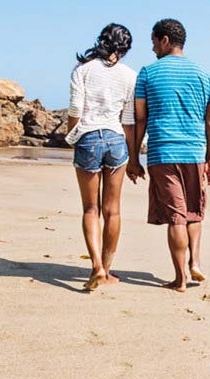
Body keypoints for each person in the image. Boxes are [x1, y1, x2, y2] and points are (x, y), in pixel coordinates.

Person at [130, 18, 210, 292]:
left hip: (162, 152)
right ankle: (196, 263)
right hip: (194, 152)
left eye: (154, 41)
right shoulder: (205, 75)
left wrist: (134, 158)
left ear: (165, 40)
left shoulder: (147, 73)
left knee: (176, 217)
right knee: (194, 212)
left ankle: (180, 279)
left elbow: (140, 118)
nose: (153, 48)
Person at [66, 23, 139, 291]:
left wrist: (71, 135)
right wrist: (133, 158)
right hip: (117, 139)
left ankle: (95, 265)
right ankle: (107, 270)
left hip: (87, 137)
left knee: (90, 209)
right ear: (125, 48)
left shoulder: (82, 70)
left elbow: (76, 109)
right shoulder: (130, 76)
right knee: (113, 210)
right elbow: (129, 120)